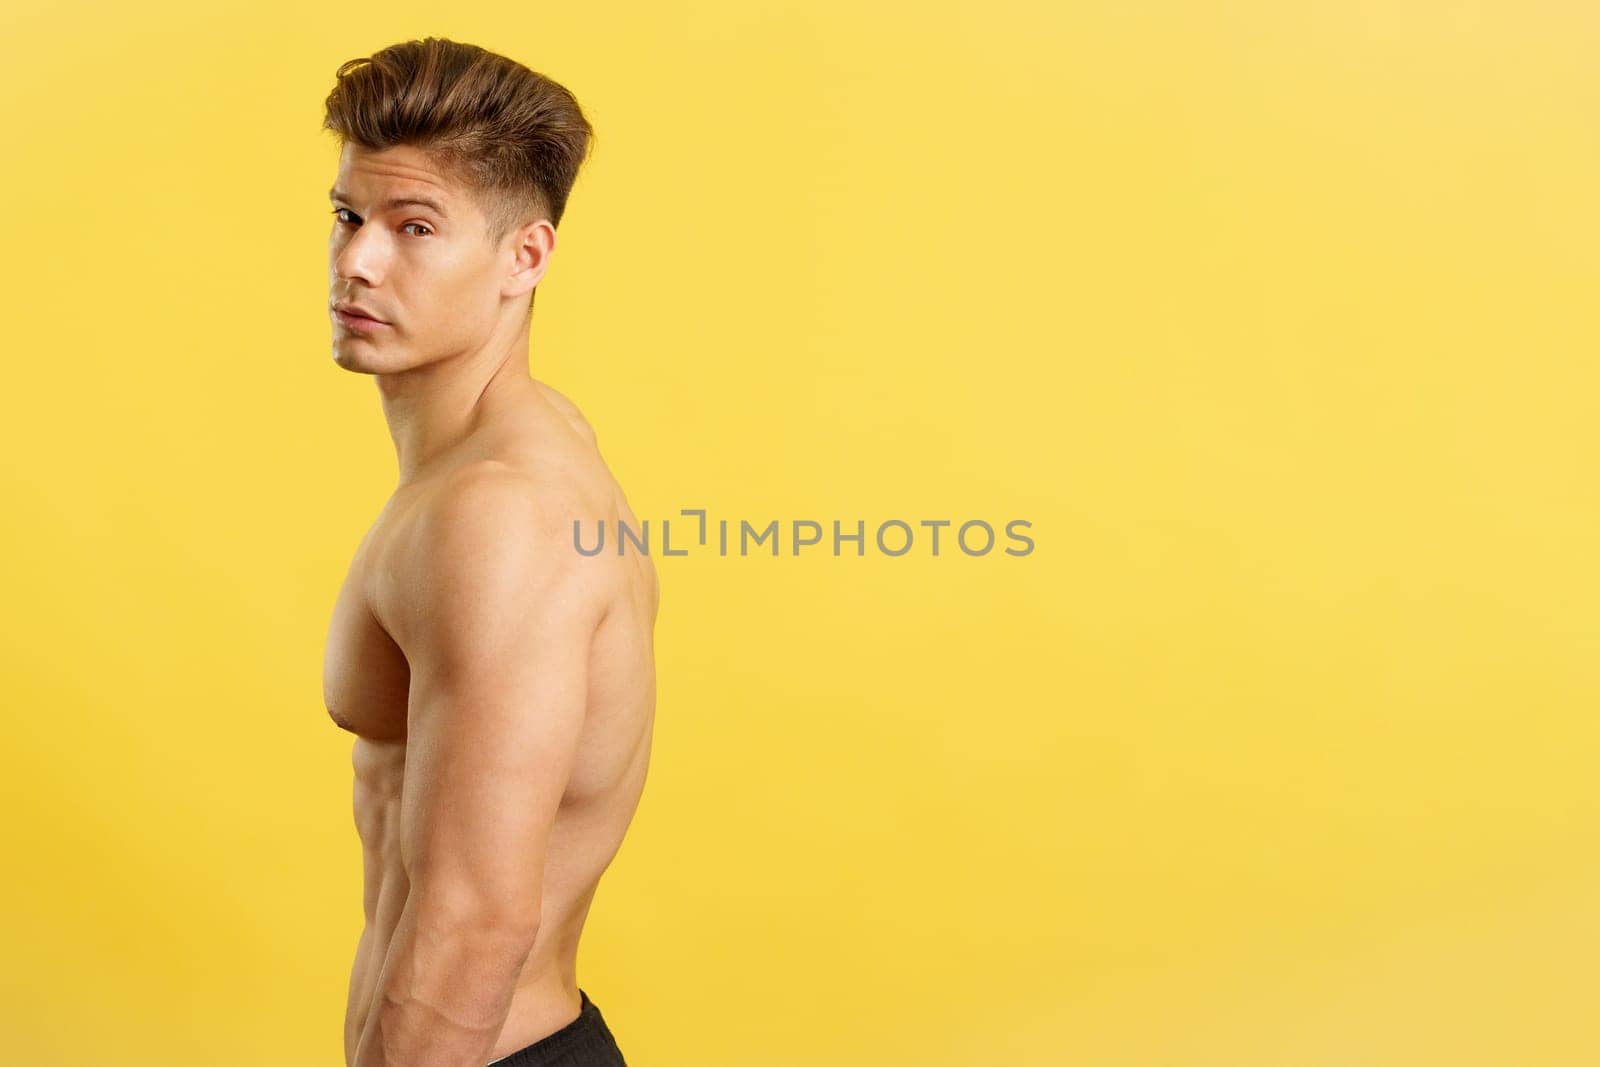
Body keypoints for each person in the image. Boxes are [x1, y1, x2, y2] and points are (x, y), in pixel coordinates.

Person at [318, 37, 656, 1066]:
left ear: (527, 257)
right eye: (349, 216)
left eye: (415, 227)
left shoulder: (497, 517)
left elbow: (473, 924)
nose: (358, 260)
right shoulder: (518, 444)